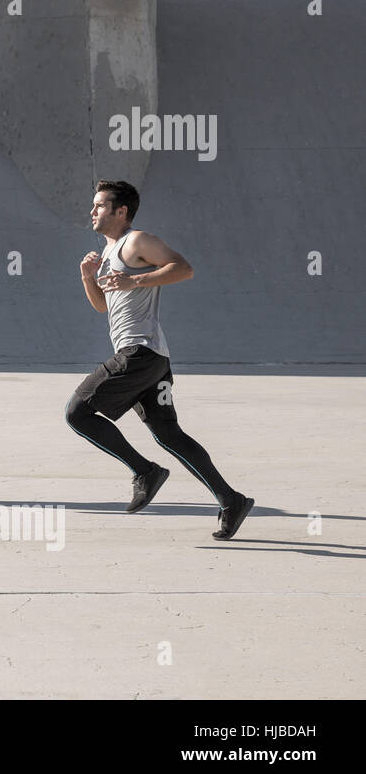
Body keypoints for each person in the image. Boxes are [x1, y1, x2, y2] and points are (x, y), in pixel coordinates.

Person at [64, 181, 254, 539]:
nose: (93, 211)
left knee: (78, 412)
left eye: (100, 205)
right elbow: (103, 305)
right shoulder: (107, 254)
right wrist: (88, 278)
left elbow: (183, 268)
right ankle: (232, 500)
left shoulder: (136, 241)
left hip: (138, 352)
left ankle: (145, 471)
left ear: (121, 212)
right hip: (153, 359)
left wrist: (135, 282)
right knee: (170, 435)